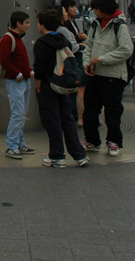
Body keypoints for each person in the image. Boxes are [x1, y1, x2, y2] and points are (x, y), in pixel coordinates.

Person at [33, 9, 89, 168]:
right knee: (67, 119)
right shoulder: (63, 40)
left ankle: (57, 156)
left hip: (47, 85)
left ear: (43, 24)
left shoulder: (42, 43)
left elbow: (39, 67)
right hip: (63, 84)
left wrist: (38, 85)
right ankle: (79, 155)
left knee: (52, 121)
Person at [81, 0, 133, 157]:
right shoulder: (96, 24)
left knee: (112, 111)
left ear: (104, 8)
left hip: (113, 76)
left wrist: (102, 59)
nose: (94, 12)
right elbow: (88, 45)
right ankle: (92, 140)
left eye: (96, 9)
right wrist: (87, 63)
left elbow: (126, 50)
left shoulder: (120, 25)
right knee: (90, 110)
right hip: (95, 75)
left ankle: (114, 141)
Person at [0, 11, 35, 160]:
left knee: (21, 114)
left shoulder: (17, 38)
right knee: (18, 114)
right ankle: (11, 145)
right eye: (26, 22)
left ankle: (19, 143)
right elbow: (5, 60)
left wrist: (27, 71)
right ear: (18, 24)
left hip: (23, 80)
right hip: (16, 81)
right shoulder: (8, 38)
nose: (28, 25)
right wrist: (18, 73)